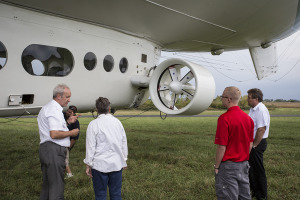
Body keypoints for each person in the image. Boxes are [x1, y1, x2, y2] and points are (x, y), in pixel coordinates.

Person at [37, 84, 79, 200]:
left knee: (47, 187)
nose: (69, 100)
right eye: (67, 97)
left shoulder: (48, 108)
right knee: (56, 188)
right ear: (59, 96)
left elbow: (54, 129)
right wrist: (72, 133)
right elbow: (54, 134)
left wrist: (68, 123)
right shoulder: (54, 109)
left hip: (46, 150)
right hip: (54, 151)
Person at [214, 86, 254, 200]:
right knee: (244, 196)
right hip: (244, 164)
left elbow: (222, 147)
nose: (221, 99)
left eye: (222, 96)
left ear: (228, 99)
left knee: (227, 196)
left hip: (228, 166)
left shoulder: (224, 118)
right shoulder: (248, 119)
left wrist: (217, 167)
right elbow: (250, 144)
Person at [84, 97, 128, 200]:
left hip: (99, 165)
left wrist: (88, 164)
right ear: (109, 108)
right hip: (116, 163)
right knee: (116, 194)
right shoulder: (117, 123)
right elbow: (123, 142)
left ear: (96, 109)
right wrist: (124, 159)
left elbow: (90, 146)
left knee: (100, 194)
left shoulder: (93, 124)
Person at [247, 88, 270, 200]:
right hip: (253, 143)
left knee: (258, 169)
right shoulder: (253, 109)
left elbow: (261, 129)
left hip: (258, 143)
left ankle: (262, 195)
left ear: (256, 99)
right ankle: (254, 191)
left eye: (249, 98)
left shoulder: (261, 110)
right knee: (251, 169)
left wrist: (254, 146)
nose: (247, 100)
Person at [63, 105, 80, 178]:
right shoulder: (62, 115)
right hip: (58, 139)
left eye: (70, 112)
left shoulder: (75, 123)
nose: (67, 113)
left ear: (73, 114)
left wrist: (68, 148)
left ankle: (70, 174)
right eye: (67, 111)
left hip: (66, 143)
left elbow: (74, 138)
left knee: (65, 160)